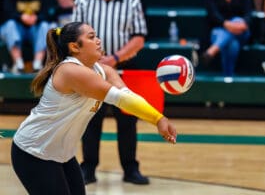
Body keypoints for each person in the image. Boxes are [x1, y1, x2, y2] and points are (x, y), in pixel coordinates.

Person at [11, 21, 177, 195]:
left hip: (62, 155)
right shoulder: (71, 71)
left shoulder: (104, 70)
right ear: (75, 47)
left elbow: (128, 97)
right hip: (33, 152)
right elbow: (121, 100)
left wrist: (158, 117)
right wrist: (158, 119)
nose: (98, 40)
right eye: (91, 37)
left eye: (96, 35)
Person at [72, 0, 150, 185]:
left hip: (123, 68)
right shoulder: (83, 0)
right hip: (91, 68)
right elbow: (73, 37)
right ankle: (88, 168)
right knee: (90, 119)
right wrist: (95, 59)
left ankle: (130, 168)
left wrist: (114, 58)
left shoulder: (132, 1)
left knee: (127, 121)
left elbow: (139, 38)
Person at [201, 0, 252, 77]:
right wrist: (227, 24)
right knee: (232, 44)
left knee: (238, 20)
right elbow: (213, 15)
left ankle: (212, 51)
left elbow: (248, 14)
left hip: (242, 30)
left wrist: (242, 24)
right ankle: (228, 76)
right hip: (218, 31)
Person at [0, 0, 49, 73]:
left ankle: (37, 64)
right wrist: (21, 17)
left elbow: (46, 15)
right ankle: (18, 63)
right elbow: (6, 14)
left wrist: (36, 18)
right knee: (10, 24)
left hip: (34, 30)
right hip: (17, 30)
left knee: (45, 25)